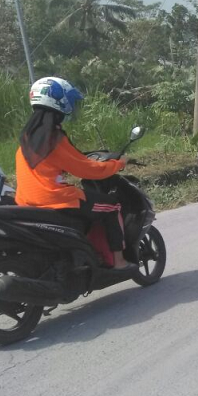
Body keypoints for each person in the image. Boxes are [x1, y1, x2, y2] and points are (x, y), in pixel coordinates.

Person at [14, 77, 131, 270]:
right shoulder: (54, 139)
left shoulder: (27, 138)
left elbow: (62, 164)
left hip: (26, 202)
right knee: (112, 206)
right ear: (58, 101)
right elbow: (88, 170)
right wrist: (118, 163)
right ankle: (119, 262)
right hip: (55, 200)